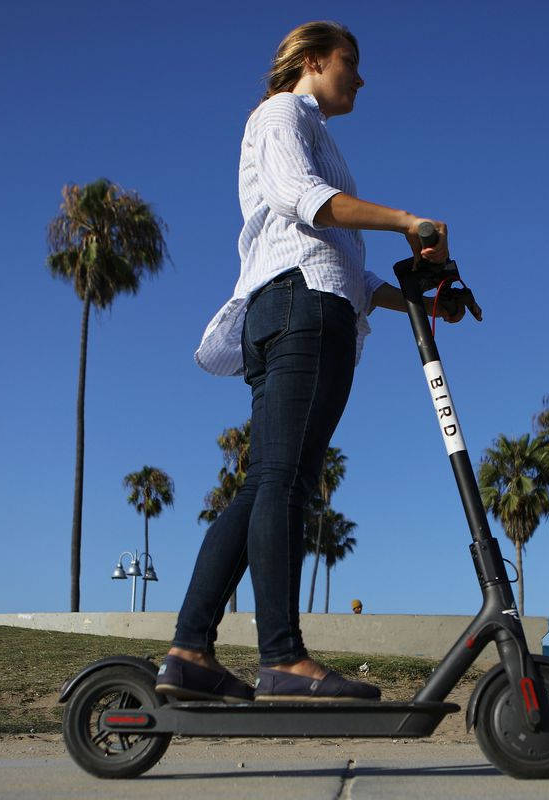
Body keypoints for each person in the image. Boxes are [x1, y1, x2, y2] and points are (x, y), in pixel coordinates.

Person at [155, 21, 466, 705]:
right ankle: (283, 659)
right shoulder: (283, 113)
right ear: (313, 61)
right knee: (286, 484)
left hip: (299, 305)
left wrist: (411, 302)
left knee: (268, 481)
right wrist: (409, 221)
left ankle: (189, 652)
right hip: (301, 311)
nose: (360, 77)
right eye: (350, 62)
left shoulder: (313, 132)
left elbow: (340, 263)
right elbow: (307, 201)